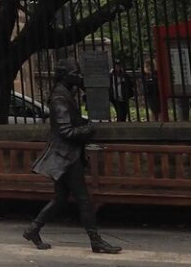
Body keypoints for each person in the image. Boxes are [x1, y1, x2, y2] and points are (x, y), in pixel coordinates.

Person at [24, 61, 122, 254]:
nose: (79, 76)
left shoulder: (64, 94)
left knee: (60, 198)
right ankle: (96, 241)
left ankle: (33, 229)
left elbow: (71, 122)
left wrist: (85, 122)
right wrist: (89, 129)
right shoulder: (60, 98)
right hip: (67, 155)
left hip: (66, 154)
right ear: (65, 76)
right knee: (84, 200)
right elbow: (66, 131)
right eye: (75, 73)